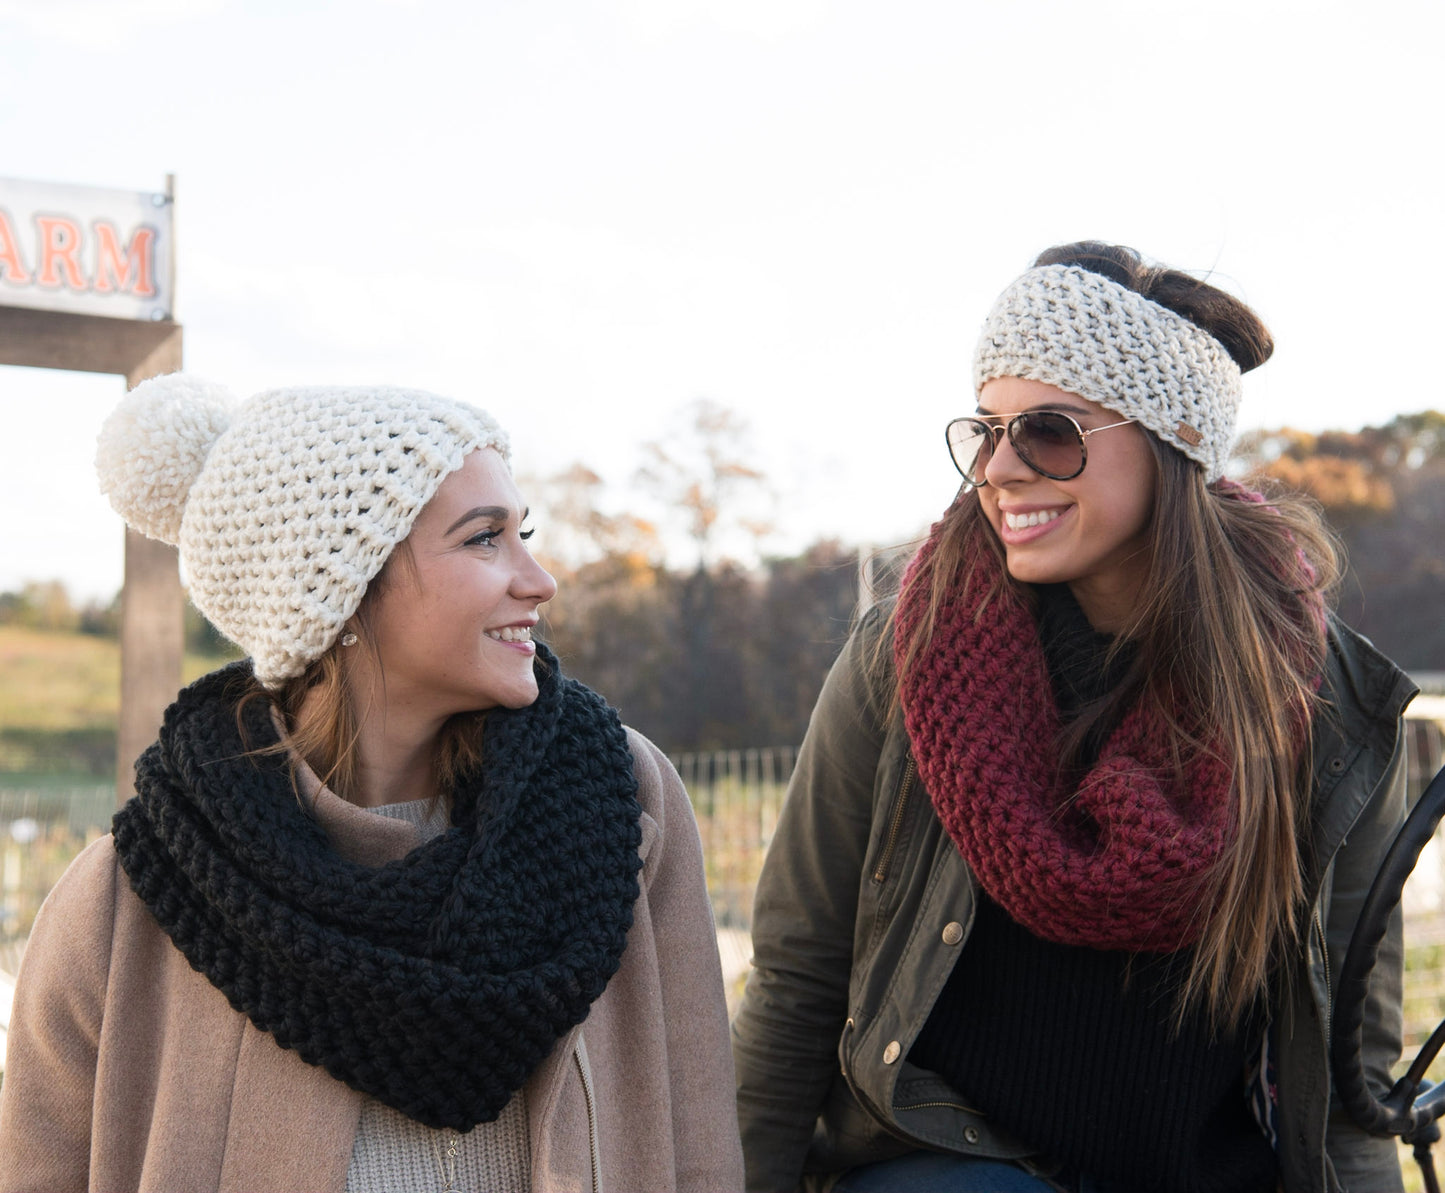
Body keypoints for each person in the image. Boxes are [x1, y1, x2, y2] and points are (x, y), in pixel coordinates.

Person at [732, 242, 1416, 1193]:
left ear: (1171, 439)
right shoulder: (908, 654)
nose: (1000, 468)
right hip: (951, 1167)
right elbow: (797, 973)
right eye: (984, 430)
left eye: (1050, 431)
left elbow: (1347, 1068)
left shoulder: (1314, 696)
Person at [0, 375, 743, 1192]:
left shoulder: (619, 802)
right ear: (344, 591)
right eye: (483, 539)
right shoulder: (134, 898)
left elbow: (700, 1140)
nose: (538, 578)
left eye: (520, 530)